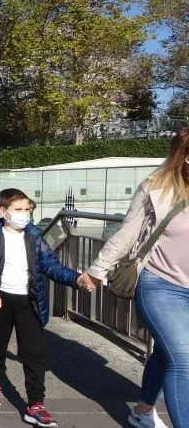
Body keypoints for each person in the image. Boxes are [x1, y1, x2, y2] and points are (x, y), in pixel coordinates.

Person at [81, 127, 189, 428]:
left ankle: (142, 412)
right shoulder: (155, 188)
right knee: (184, 361)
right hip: (160, 284)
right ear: (182, 156)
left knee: (168, 353)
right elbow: (127, 233)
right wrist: (97, 270)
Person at [0, 188, 95, 427]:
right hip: (0, 298)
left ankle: (35, 405)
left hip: (28, 300)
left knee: (34, 353)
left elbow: (51, 265)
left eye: (28, 209)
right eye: (18, 210)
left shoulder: (34, 235)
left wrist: (76, 278)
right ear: (2, 211)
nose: (24, 214)